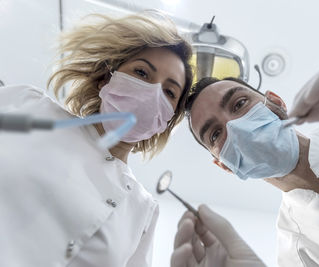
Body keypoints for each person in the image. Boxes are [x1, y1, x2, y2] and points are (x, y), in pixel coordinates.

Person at [0, 11, 193, 266]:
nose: (152, 93)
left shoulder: (143, 210)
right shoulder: (30, 106)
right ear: (106, 79)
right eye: (142, 73)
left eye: (169, 91)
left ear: (166, 121)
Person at [171, 53, 319, 266]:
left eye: (240, 104)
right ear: (225, 166)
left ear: (276, 102)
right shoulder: (294, 245)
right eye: (215, 134)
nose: (235, 127)